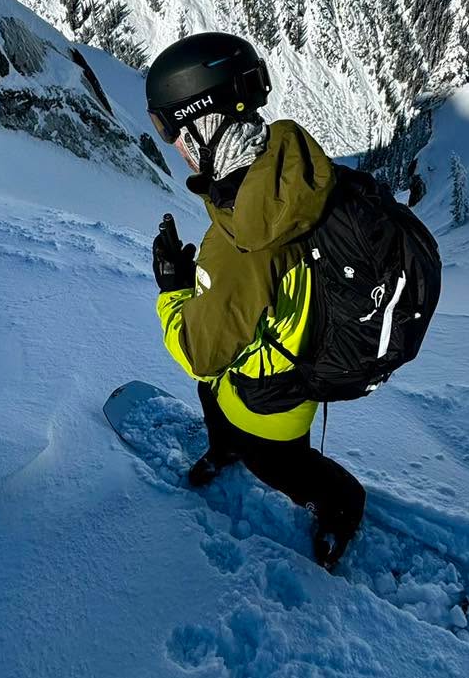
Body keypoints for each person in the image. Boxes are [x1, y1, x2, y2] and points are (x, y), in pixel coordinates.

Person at [146, 32, 366, 570]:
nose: (174, 144)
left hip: (276, 397)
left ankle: (341, 505)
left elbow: (200, 349)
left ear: (205, 122)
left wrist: (173, 290)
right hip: (290, 353)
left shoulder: (245, 239)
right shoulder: (280, 180)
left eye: (174, 127)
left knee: (278, 465)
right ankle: (225, 446)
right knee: (212, 390)